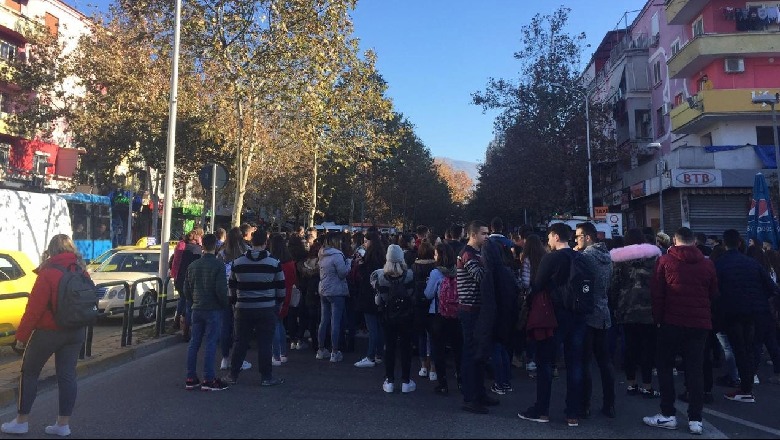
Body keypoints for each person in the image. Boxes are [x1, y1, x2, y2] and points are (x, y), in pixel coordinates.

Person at [1, 235, 88, 437]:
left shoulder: (48, 272)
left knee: (29, 373)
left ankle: (22, 421)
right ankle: (62, 424)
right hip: (75, 331)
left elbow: (34, 309)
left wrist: (21, 336)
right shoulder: (80, 269)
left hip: (48, 332)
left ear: (50, 250)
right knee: (67, 375)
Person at [643, 227, 718, 436]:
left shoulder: (665, 262)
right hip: (699, 323)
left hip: (671, 321)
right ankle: (696, 419)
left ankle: (668, 413)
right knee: (695, 370)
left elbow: (657, 294)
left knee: (665, 366)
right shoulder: (707, 263)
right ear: (694, 241)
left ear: (674, 241)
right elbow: (713, 292)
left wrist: (658, 320)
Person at [519, 222, 588, 427]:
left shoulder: (552, 258)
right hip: (578, 315)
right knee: (574, 363)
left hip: (554, 315)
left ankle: (542, 410)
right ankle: (572, 412)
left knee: (546, 362)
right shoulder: (580, 257)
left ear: (556, 236)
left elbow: (537, 285)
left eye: (549, 236)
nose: (548, 240)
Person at [715, 231, 776, 403]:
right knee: (749, 349)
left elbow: (713, 290)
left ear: (724, 244)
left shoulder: (720, 264)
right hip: (755, 312)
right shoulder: (753, 264)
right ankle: (747, 386)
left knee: (738, 349)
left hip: (732, 311)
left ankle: (744, 388)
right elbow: (771, 287)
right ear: (740, 243)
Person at [224, 228, 285, 387]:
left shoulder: (238, 262)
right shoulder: (274, 262)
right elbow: (281, 288)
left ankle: (233, 375)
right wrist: (278, 304)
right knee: (265, 343)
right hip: (267, 308)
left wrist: (235, 302)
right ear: (266, 243)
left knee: (240, 342)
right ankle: (266, 377)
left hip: (243, 308)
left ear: (251, 242)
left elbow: (231, 286)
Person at [609, 229, 662, 398]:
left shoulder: (619, 260)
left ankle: (631, 384)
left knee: (630, 347)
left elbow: (614, 285)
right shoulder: (654, 258)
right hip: (650, 309)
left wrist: (614, 304)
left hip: (627, 308)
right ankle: (647, 385)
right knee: (648, 348)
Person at [574, 222, 616, 419]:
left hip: (589, 313)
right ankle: (610, 404)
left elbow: (580, 283)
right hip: (604, 312)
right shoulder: (607, 256)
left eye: (578, 236)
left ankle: (585, 404)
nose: (576, 239)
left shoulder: (585, 257)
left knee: (584, 361)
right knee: (605, 362)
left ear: (588, 237)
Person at [457, 221, 499, 414]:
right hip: (470, 310)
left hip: (477, 309)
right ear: (473, 235)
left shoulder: (477, 253)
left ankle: (479, 393)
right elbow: (481, 276)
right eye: (483, 233)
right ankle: (470, 397)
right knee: (471, 353)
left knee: (480, 353)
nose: (487, 237)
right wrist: (490, 262)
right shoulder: (468, 254)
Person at [183, 233, 230, 391]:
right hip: (213, 308)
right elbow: (221, 290)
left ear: (202, 245)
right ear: (215, 246)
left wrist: (192, 301)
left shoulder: (193, 265)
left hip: (197, 308)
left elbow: (186, 289)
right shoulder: (218, 265)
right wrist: (224, 304)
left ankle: (191, 377)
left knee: (194, 342)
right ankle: (208, 378)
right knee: (210, 342)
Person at [372, 244, 416, 393]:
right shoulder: (409, 275)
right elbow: (412, 295)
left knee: (389, 348)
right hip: (406, 316)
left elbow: (379, 300)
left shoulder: (381, 277)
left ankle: (389, 380)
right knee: (405, 348)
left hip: (388, 316)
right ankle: (406, 381)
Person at [425, 242, 462, 395]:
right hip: (456, 313)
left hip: (438, 313)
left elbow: (428, 294)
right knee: (458, 349)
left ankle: (443, 384)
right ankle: (461, 380)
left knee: (438, 349)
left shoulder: (436, 273)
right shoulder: (458, 270)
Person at [217, 227, 251, 372]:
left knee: (225, 326)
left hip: (225, 293)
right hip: (241, 292)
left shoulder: (221, 254)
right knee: (240, 328)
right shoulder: (247, 252)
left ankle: (225, 358)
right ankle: (239, 359)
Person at [316, 232, 350, 362]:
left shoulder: (322, 253)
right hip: (336, 290)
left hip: (323, 289)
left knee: (324, 320)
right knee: (335, 321)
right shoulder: (337, 256)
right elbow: (342, 273)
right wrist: (349, 264)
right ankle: (334, 352)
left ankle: (321, 349)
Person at [354, 232, 387, 368]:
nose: (364, 243)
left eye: (366, 241)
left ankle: (370, 356)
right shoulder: (382, 255)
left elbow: (366, 276)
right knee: (379, 327)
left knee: (372, 328)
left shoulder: (370, 258)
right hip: (379, 295)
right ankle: (378, 354)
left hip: (368, 295)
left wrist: (360, 265)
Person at [517, 234, 547, 377]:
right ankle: (545, 359)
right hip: (545, 297)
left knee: (530, 329)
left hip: (531, 298)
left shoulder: (527, 260)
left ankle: (531, 360)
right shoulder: (546, 257)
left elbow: (525, 282)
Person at [269, 234, 298, 366]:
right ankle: (282, 352)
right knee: (279, 323)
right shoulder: (290, 262)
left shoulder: (272, 261)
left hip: (274, 294)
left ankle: (276, 354)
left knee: (274, 324)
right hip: (287, 293)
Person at [412, 241, 437, 381]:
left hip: (418, 304)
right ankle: (433, 367)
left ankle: (423, 366)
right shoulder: (435, 267)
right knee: (433, 336)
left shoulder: (414, 266)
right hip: (433, 304)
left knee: (422, 336)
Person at [175, 229, 204, 342]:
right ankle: (186, 331)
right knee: (189, 306)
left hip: (181, 277)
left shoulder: (183, 247)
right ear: (197, 238)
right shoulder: (197, 249)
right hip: (191, 279)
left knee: (184, 301)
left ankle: (180, 324)